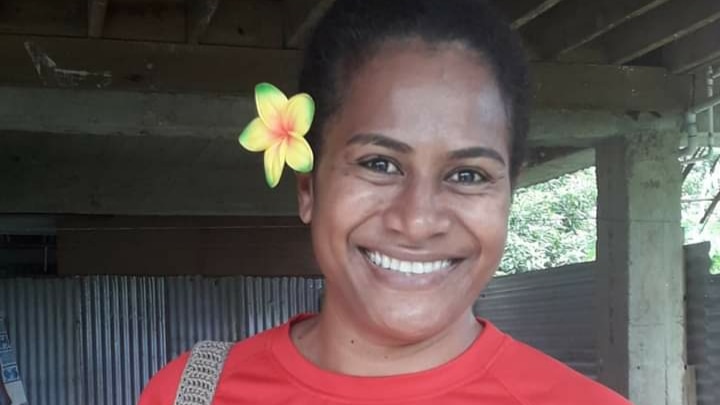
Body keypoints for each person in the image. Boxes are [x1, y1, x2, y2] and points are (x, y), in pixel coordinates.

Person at [139, 0, 632, 404]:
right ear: (308, 188)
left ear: (508, 194)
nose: (417, 221)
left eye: (468, 174)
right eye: (379, 164)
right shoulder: (190, 395)